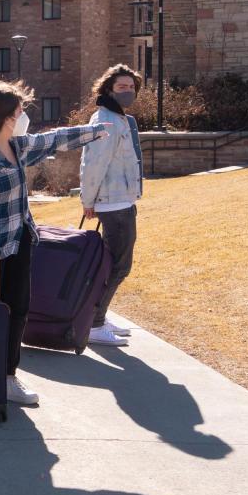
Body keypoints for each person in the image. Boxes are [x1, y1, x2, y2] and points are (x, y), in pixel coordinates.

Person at [0, 80, 111, 405]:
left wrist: (92, 132)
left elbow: (52, 140)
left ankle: (7, 377)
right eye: (20, 109)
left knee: (18, 309)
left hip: (18, 239)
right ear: (7, 116)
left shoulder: (17, 146)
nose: (24, 114)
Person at [79, 64, 144, 347]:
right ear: (108, 89)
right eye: (122, 87)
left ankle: (99, 317)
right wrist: (88, 200)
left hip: (121, 200)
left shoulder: (119, 118)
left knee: (110, 264)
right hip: (112, 203)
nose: (128, 91)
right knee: (119, 266)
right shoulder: (105, 119)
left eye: (131, 87)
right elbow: (93, 164)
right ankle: (94, 323)